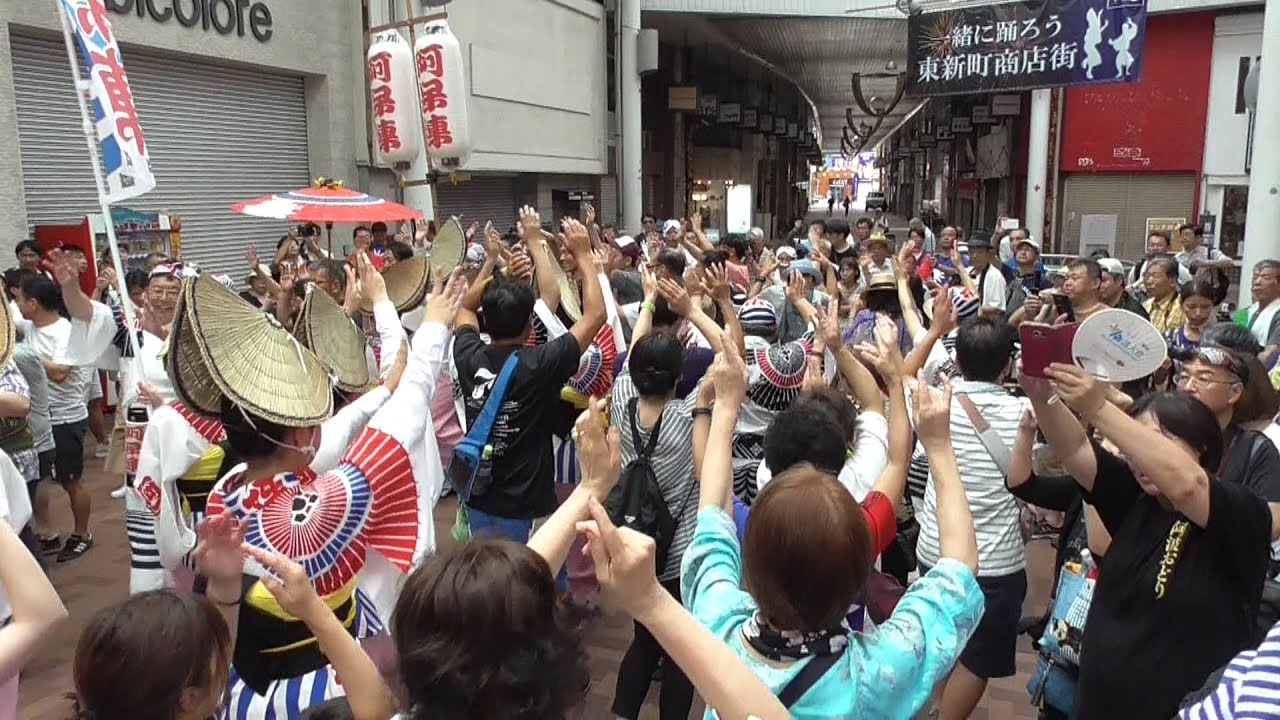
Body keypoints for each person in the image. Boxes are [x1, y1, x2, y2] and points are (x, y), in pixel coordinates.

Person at [682, 337, 983, 717]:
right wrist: (938, 445)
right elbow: (960, 568)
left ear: (751, 567)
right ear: (857, 575)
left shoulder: (717, 626)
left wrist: (724, 406)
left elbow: (713, 511)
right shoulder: (875, 674)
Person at [1025, 365, 1280, 720]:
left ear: (1201, 448)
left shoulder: (1239, 514)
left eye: (1158, 442)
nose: (1140, 457)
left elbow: (1189, 485)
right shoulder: (1136, 499)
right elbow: (1076, 448)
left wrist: (1099, 407)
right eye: (1135, 445)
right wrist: (1041, 394)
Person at [452, 218, 605, 542]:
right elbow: (595, 316)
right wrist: (584, 254)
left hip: (478, 493)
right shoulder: (540, 363)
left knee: (488, 570)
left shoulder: (468, 355)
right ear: (528, 328)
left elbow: (465, 306)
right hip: (524, 506)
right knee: (524, 577)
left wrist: (500, 277)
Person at [1240, 259, 1280, 352]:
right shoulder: (1244, 312)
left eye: (1265, 277)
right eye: (1255, 277)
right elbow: (1230, 341)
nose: (1257, 282)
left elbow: (1272, 354)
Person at [1144, 256, 1185, 335]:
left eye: (1156, 276)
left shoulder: (1182, 306)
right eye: (1147, 276)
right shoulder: (1146, 305)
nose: (1149, 281)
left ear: (1172, 281)